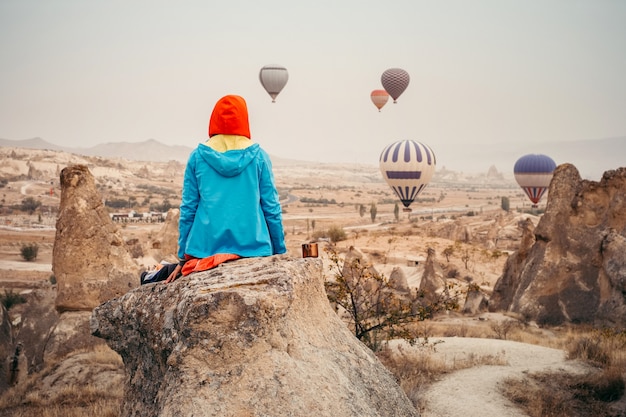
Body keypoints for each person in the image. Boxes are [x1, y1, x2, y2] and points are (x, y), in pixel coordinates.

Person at [166, 95, 286, 283]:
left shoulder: (197, 157)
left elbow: (188, 209)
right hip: (254, 248)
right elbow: (271, 208)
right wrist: (279, 251)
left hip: (205, 248)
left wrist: (183, 257)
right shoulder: (259, 157)